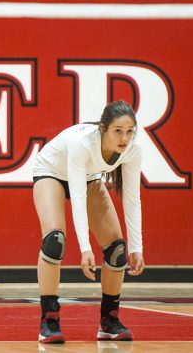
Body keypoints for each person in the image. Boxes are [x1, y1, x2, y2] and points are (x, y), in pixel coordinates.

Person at [31, 100, 145, 343]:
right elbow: (78, 195)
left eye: (129, 131)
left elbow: (133, 199)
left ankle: (109, 321)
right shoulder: (81, 143)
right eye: (117, 130)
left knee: (118, 250)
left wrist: (137, 248)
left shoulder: (133, 150)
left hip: (89, 178)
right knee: (55, 241)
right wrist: (85, 248)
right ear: (103, 128)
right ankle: (49, 321)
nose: (124, 138)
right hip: (51, 172)